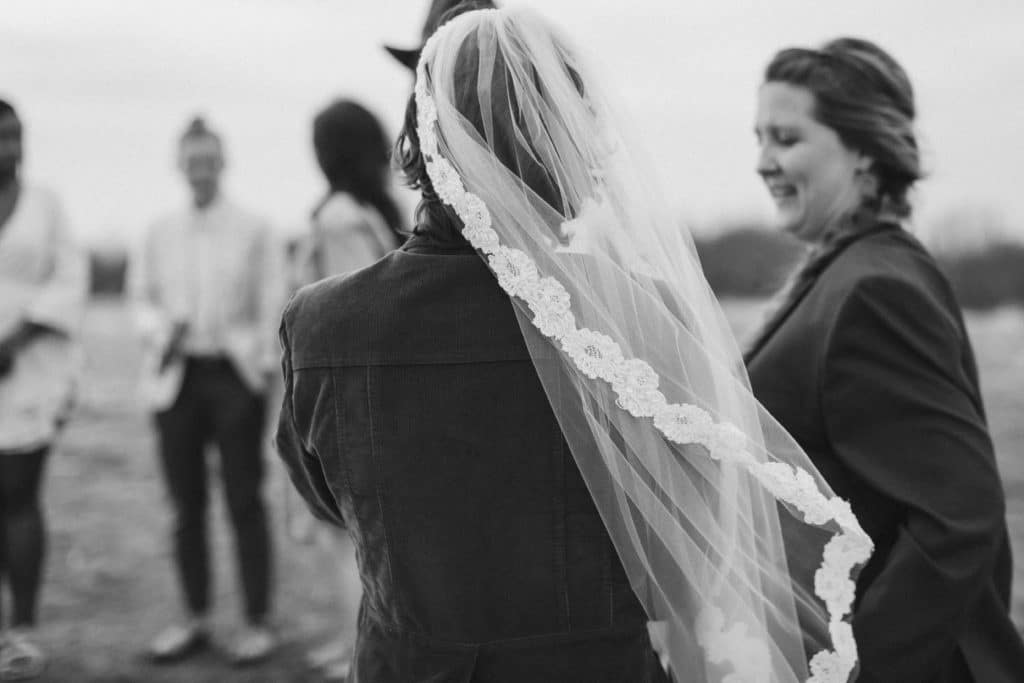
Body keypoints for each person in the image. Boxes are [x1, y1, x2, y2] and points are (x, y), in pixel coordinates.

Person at [277, 8, 872, 682]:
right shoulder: (642, 316)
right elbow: (696, 522)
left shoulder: (322, 324)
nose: (599, 150)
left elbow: (330, 498)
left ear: (424, 133)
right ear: (557, 142)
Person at [746, 38, 1024, 682]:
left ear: (864, 150)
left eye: (786, 139)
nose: (762, 161)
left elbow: (959, 519)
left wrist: (853, 670)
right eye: (758, 138)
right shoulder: (850, 272)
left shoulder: (876, 290)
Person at [132, 116, 279, 666]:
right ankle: (194, 616)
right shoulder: (157, 230)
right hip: (177, 378)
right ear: (179, 164)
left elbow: (271, 301)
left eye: (209, 161)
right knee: (184, 504)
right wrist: (158, 330)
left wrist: (260, 371)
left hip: (233, 378)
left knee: (245, 500)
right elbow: (140, 298)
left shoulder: (255, 227)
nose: (200, 171)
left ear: (223, 162)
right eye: (191, 161)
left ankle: (257, 621)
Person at [286, 98, 404, 681]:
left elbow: (360, 312)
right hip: (374, 394)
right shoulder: (372, 210)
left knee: (345, 534)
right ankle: (354, 645)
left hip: (348, 397)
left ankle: (358, 651)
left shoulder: (336, 220)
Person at [0, 98, 87, 681]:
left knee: (19, 495)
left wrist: (17, 336)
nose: (13, 146)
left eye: (17, 134)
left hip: (29, 371)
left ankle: (22, 629)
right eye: (2, 137)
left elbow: (69, 276)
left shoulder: (47, 205)